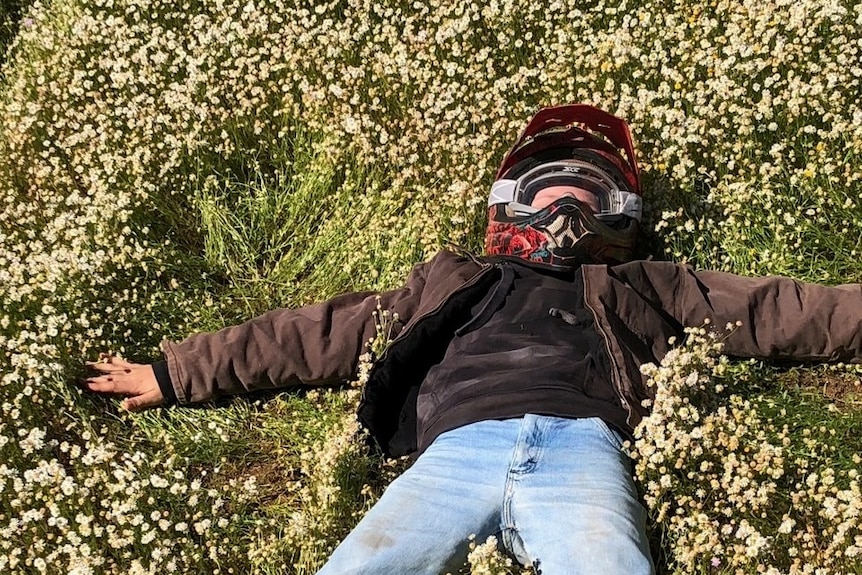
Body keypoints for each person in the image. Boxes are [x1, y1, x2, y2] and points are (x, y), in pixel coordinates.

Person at [84, 104, 862, 575]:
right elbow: (316, 332)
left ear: (619, 218)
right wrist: (175, 371)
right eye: (550, 191)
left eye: (590, 197)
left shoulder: (644, 285)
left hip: (584, 447)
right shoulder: (453, 280)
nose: (568, 211)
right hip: (456, 450)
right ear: (509, 207)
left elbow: (781, 308)